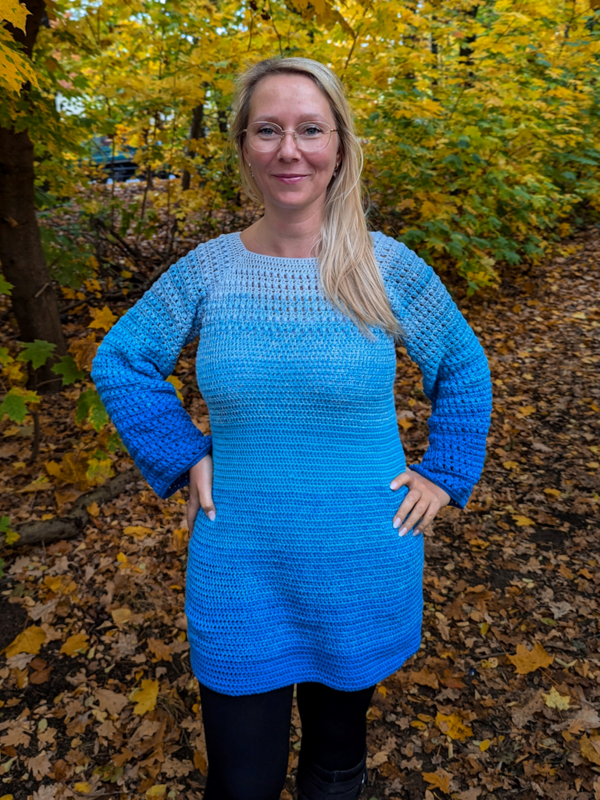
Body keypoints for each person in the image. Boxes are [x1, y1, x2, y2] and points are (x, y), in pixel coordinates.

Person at [91, 56, 493, 800]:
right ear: (244, 145)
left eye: (311, 129)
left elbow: (463, 366)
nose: (289, 150)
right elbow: (121, 359)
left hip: (360, 561)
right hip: (240, 565)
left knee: (335, 765)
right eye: (268, 130)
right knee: (241, 782)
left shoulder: (384, 266)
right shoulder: (208, 271)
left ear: (339, 145)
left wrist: (445, 473)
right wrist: (182, 454)